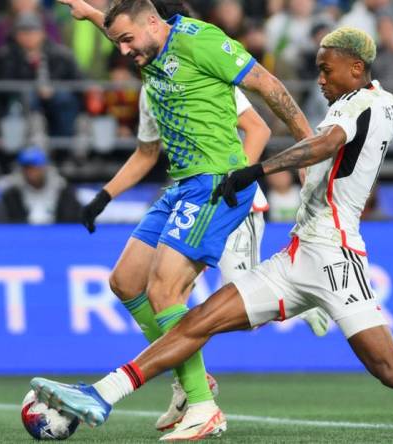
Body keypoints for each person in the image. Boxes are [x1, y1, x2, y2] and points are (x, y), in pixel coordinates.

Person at [31, 27, 393, 440]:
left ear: (356, 69)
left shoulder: (357, 105)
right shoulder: (382, 101)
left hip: (337, 259)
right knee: (197, 320)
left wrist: (258, 169)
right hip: (296, 257)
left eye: (326, 69)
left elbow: (323, 144)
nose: (319, 77)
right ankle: (103, 394)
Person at [58, 0, 313, 439]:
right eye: (117, 41)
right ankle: (186, 373)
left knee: (165, 289)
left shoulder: (203, 42)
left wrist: (310, 148)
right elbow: (123, 27)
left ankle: (202, 404)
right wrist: (88, 11)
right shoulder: (147, 44)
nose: (122, 51)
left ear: (153, 23)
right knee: (125, 280)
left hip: (216, 182)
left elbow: (270, 87)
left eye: (126, 41)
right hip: (180, 185)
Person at [0, 12, 82, 137]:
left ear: (42, 33)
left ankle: (64, 145)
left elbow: (77, 82)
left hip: (55, 97)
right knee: (27, 99)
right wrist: (28, 68)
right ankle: (33, 140)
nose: (29, 36)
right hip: (20, 100)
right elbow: (4, 84)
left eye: (33, 31)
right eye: (24, 31)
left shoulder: (61, 55)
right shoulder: (6, 56)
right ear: (16, 35)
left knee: (64, 98)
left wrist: (53, 89)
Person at [0, 147, 82, 224]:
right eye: (27, 167)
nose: (30, 172)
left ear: (44, 167)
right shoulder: (13, 193)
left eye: (34, 167)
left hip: (57, 234)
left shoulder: (61, 189)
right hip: (25, 235)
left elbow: (71, 218)